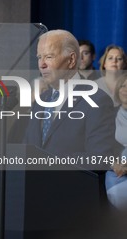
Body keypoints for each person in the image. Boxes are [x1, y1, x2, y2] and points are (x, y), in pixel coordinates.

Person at [23, 30, 116, 168]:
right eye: (39, 57)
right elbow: (28, 148)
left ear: (71, 60)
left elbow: (99, 159)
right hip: (34, 186)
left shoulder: (97, 100)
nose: (41, 64)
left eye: (48, 57)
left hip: (74, 187)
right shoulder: (41, 100)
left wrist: (49, 162)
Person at [105, 75, 127, 210]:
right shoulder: (109, 115)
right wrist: (114, 164)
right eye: (123, 86)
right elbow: (104, 146)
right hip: (116, 169)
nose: (126, 90)